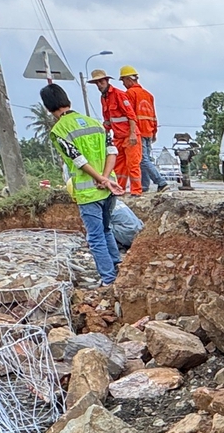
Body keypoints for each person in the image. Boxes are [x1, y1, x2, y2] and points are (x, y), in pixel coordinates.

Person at [41, 82, 127, 286]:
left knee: (96, 236)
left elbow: (78, 160)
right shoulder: (94, 123)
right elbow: (112, 151)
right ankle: (118, 268)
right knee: (106, 230)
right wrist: (106, 177)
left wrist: (99, 179)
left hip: (89, 192)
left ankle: (108, 279)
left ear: (48, 107)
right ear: (67, 100)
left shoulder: (59, 131)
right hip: (108, 189)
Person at [89, 68, 142, 197]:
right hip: (118, 137)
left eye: (101, 82)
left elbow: (131, 115)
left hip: (129, 135)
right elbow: (108, 120)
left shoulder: (119, 94)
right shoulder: (104, 98)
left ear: (107, 81)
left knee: (132, 164)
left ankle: (136, 191)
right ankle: (119, 189)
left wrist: (132, 134)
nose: (99, 85)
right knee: (119, 166)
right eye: (97, 83)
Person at [121, 66, 167, 191]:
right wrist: (154, 132)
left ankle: (161, 182)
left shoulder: (130, 94)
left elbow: (129, 114)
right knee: (144, 159)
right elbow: (153, 115)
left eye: (123, 80)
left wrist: (131, 132)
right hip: (148, 131)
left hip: (138, 131)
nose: (123, 84)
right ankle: (144, 186)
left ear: (129, 80)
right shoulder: (148, 95)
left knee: (142, 160)